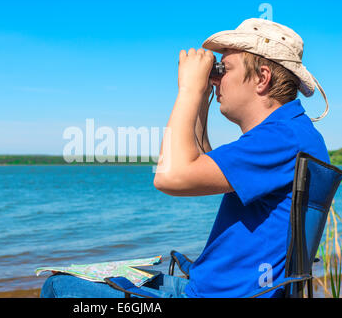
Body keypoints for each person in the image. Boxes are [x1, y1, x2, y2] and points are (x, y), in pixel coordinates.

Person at [41, 18, 330, 298]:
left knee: (59, 288)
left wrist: (188, 89)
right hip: (210, 287)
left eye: (224, 69)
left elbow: (172, 176)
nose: (216, 79)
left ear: (262, 78)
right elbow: (201, 163)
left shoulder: (281, 138)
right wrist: (202, 96)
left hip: (212, 295)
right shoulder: (292, 133)